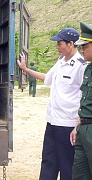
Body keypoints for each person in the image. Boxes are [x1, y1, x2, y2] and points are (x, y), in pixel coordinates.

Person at [17, 28, 86, 180]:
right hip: (53, 121)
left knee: (66, 165)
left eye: (60, 44)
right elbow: (47, 78)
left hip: (68, 125)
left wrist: (77, 125)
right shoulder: (60, 62)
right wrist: (25, 69)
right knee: (48, 162)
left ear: (71, 44)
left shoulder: (81, 66)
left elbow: (84, 97)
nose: (57, 47)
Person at [70, 22, 92, 180]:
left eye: (85, 45)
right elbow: (84, 102)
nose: (82, 49)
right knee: (79, 175)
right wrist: (77, 126)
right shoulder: (88, 69)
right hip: (83, 129)